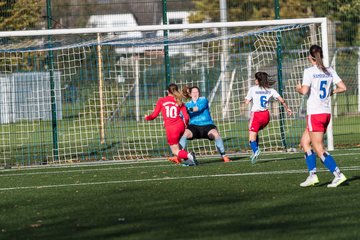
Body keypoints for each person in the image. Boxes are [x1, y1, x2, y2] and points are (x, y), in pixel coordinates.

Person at [296, 44, 347, 188]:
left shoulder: (309, 71)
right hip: (325, 113)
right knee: (305, 142)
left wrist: (298, 89)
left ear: (309, 57)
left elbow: (304, 91)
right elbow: (343, 87)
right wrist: (332, 92)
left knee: (318, 148)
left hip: (315, 113)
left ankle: (338, 174)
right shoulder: (329, 70)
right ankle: (312, 176)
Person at [174, 86, 231, 163]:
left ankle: (224, 156)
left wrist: (186, 109)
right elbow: (180, 115)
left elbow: (198, 108)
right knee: (184, 135)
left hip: (207, 125)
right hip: (194, 126)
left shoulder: (203, 100)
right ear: (190, 94)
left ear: (199, 93)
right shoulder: (187, 104)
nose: (195, 94)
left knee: (216, 135)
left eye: (197, 92)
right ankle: (179, 156)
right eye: (193, 92)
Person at [145, 83, 197, 166]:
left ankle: (189, 155)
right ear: (176, 91)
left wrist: (147, 117)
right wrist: (185, 125)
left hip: (171, 128)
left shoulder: (161, 100)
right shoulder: (179, 101)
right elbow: (186, 117)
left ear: (167, 91)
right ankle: (189, 161)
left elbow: (154, 115)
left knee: (175, 151)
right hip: (181, 126)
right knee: (178, 146)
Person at [245, 72, 292, 164]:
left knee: (251, 137)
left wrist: (248, 99)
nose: (255, 80)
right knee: (255, 131)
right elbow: (281, 100)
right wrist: (287, 109)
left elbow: (247, 101)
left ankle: (256, 150)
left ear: (258, 81)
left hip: (256, 115)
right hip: (266, 116)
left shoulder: (253, 89)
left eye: (256, 79)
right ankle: (256, 150)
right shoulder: (271, 90)